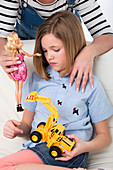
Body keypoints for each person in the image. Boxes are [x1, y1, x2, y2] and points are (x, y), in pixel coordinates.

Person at [0, 10, 113, 170]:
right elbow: (26, 125)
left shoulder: (90, 84)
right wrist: (17, 129)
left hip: (70, 153)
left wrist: (83, 147)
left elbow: (104, 137)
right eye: (45, 51)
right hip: (38, 148)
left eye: (56, 50)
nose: (49, 57)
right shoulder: (36, 80)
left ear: (72, 45)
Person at [0, 0, 113, 92]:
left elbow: (107, 35)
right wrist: (5, 55)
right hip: (29, 54)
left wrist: (90, 51)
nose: (49, 56)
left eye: (56, 49)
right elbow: (1, 36)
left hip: (67, 62)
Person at [5, 32, 41, 112]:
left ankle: (18, 104)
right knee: (20, 88)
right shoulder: (20, 51)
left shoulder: (11, 53)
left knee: (17, 88)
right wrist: (36, 54)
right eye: (17, 38)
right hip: (21, 69)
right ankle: (19, 105)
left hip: (14, 69)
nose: (19, 39)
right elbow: (30, 55)